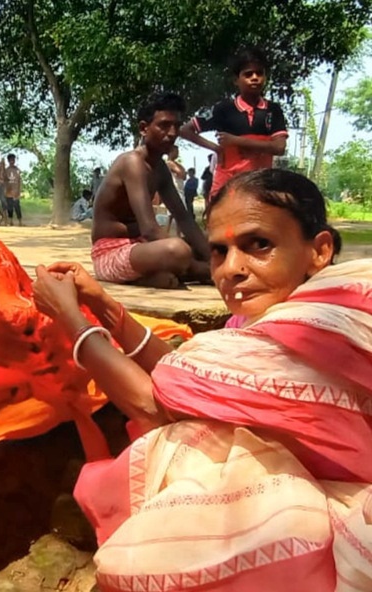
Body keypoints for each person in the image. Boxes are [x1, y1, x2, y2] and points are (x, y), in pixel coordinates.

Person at [32, 169, 372, 591]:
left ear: (319, 251)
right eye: (219, 251)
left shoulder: (319, 328)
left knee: (188, 443)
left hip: (347, 511)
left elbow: (155, 404)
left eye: (259, 245)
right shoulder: (256, 321)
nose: (232, 269)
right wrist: (103, 305)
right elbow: (190, 377)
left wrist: (68, 317)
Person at [91, 92, 210, 289]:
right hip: (111, 253)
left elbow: (184, 218)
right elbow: (149, 230)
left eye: (177, 126)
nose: (172, 133)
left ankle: (152, 276)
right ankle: (202, 272)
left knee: (209, 243)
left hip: (142, 249)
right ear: (143, 128)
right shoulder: (132, 163)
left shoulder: (160, 168)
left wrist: (211, 256)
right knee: (178, 250)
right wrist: (208, 268)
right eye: (164, 125)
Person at [180, 46, 288, 199]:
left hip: (260, 187)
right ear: (236, 80)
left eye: (259, 73)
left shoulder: (273, 110)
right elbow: (184, 130)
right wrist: (216, 148)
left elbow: (279, 147)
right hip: (227, 186)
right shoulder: (223, 109)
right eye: (248, 74)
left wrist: (236, 141)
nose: (255, 77)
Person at [3, 153, 23, 226]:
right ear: (8, 161)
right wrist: (5, 189)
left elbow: (19, 180)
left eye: (13, 160)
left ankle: (20, 221)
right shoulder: (6, 170)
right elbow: (4, 180)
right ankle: (10, 221)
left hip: (15, 191)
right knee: (10, 207)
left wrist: (19, 190)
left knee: (17, 206)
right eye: (11, 160)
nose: (12, 161)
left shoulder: (17, 170)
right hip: (8, 192)